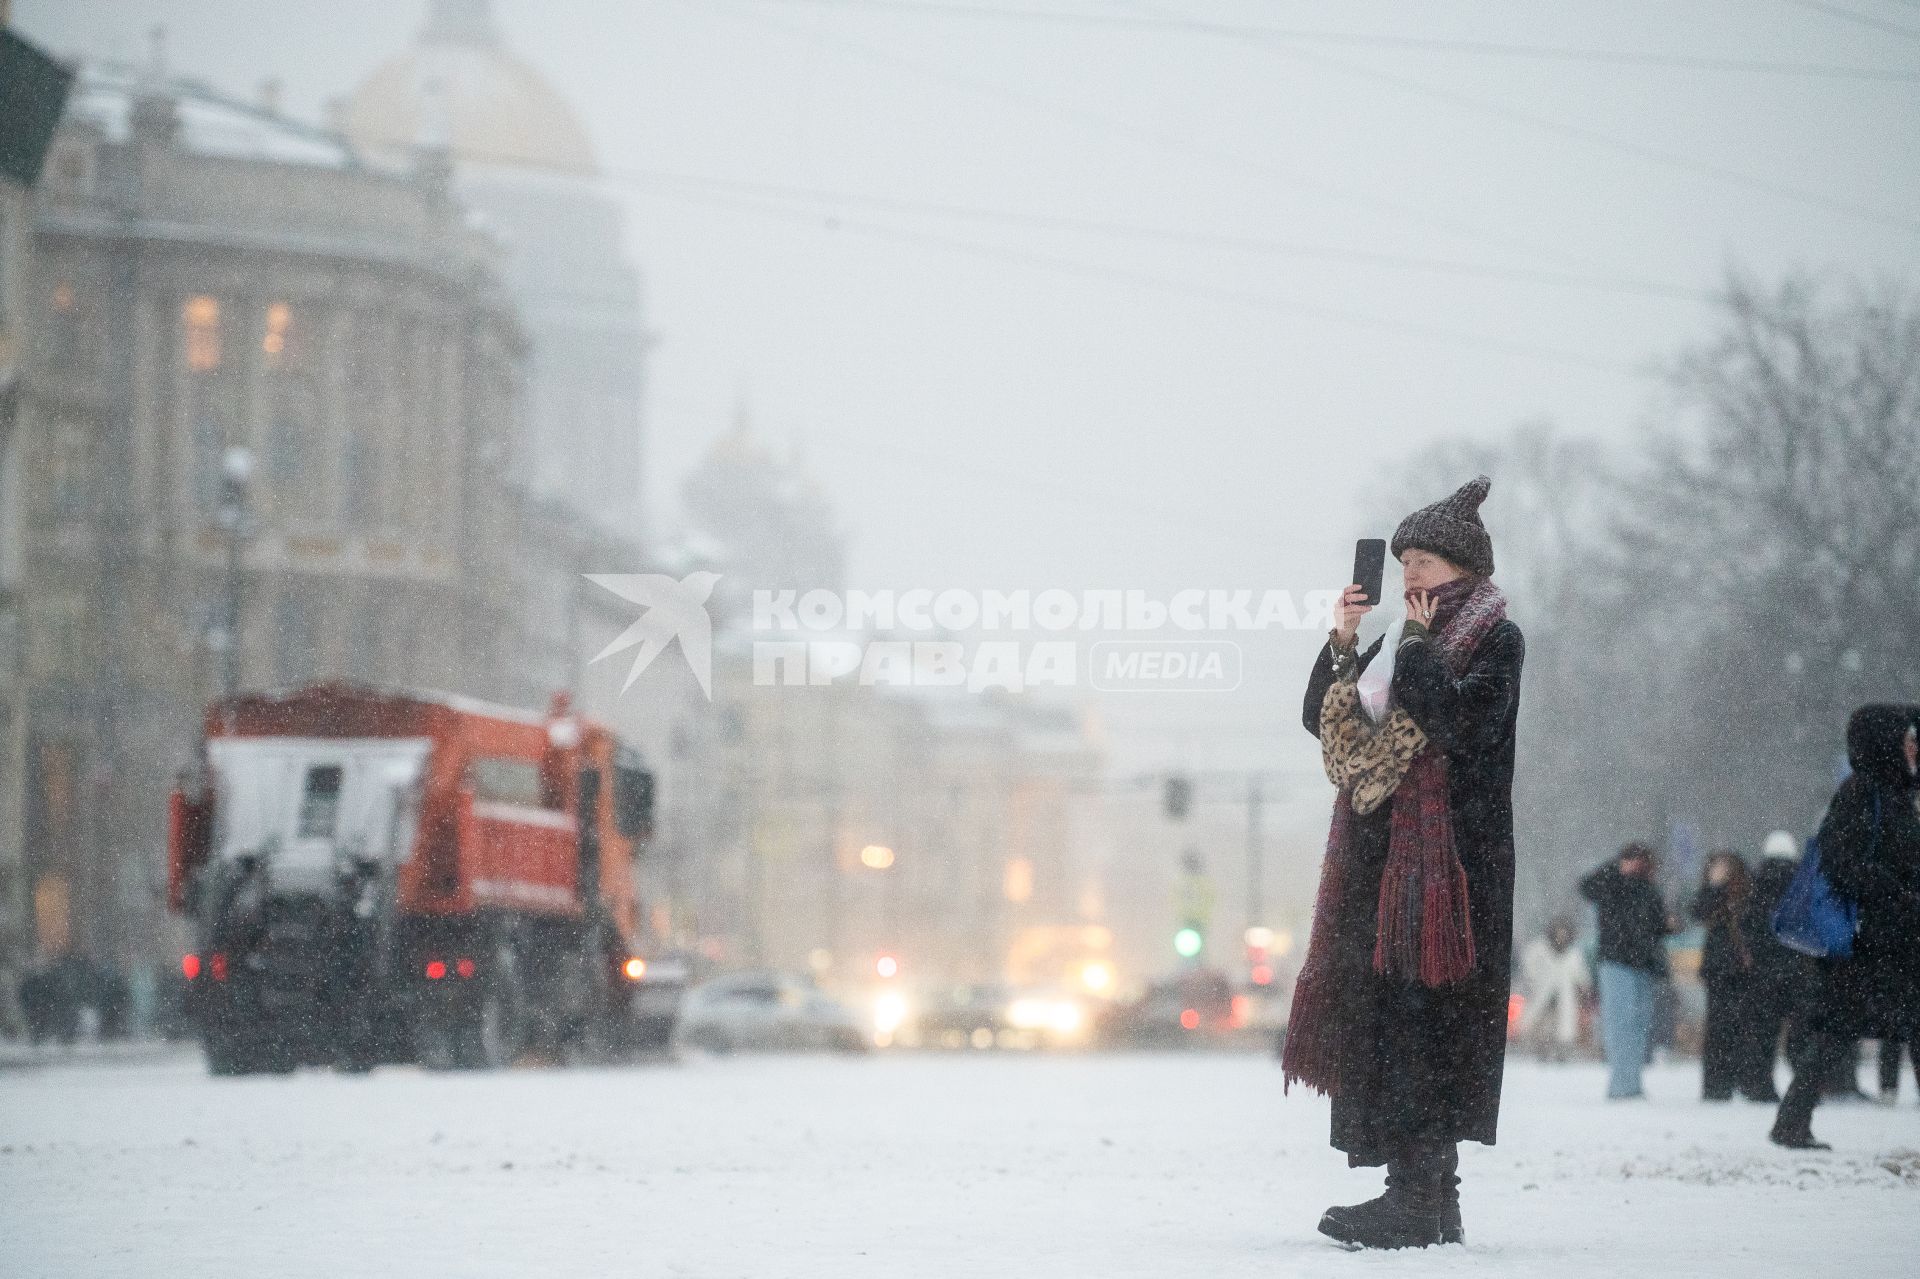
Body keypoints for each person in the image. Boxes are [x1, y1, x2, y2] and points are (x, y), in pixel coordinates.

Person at [1285, 476, 1524, 1250]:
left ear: (1465, 566)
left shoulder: (1494, 637)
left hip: (1452, 869)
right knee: (1397, 1022)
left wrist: (1417, 648)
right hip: (1385, 866)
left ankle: (1414, 1198)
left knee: (1427, 1026)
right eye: (1404, 559)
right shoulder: (1401, 639)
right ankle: (1434, 1197)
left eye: (1424, 557)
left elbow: (1454, 719)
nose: (1411, 572)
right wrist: (1345, 641)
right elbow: (1323, 722)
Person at [1770, 705, 1920, 1149]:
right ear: (1887, 743)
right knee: (1837, 1030)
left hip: (1900, 939)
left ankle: (1791, 1121)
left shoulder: (1898, 795)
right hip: (1871, 942)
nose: (1915, 746)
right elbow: (1840, 862)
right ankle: (1791, 1121)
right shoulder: (1861, 793)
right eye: (1909, 738)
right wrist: (1896, 892)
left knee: (1853, 1028)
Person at [1581, 843, 1678, 1100]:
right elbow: (1586, 886)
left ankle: (1632, 1083)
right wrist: (1615, 867)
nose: (1635, 865)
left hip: (1643, 965)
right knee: (1619, 1024)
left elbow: (1658, 924)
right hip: (1615, 963)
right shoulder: (1610, 884)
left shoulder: (1648, 890)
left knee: (1639, 1026)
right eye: (1630, 859)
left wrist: (1670, 925)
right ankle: (1621, 1086)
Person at [1691, 851, 1773, 1101]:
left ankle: (1749, 1083)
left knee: (1747, 1029)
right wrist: (1715, 887)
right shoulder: (1712, 893)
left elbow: (1758, 924)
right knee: (1718, 1030)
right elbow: (1698, 911)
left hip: (1744, 969)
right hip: (1719, 971)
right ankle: (1717, 1087)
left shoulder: (1751, 893)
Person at [1517, 917, 1589, 1061]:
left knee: (1562, 1028)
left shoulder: (1573, 953)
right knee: (1542, 1027)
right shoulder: (1539, 948)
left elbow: (1581, 975)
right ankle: (1542, 1052)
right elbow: (1528, 967)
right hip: (1542, 995)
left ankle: (1560, 1054)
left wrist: (1583, 989)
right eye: (1559, 932)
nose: (1561, 936)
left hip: (1563, 998)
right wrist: (1532, 982)